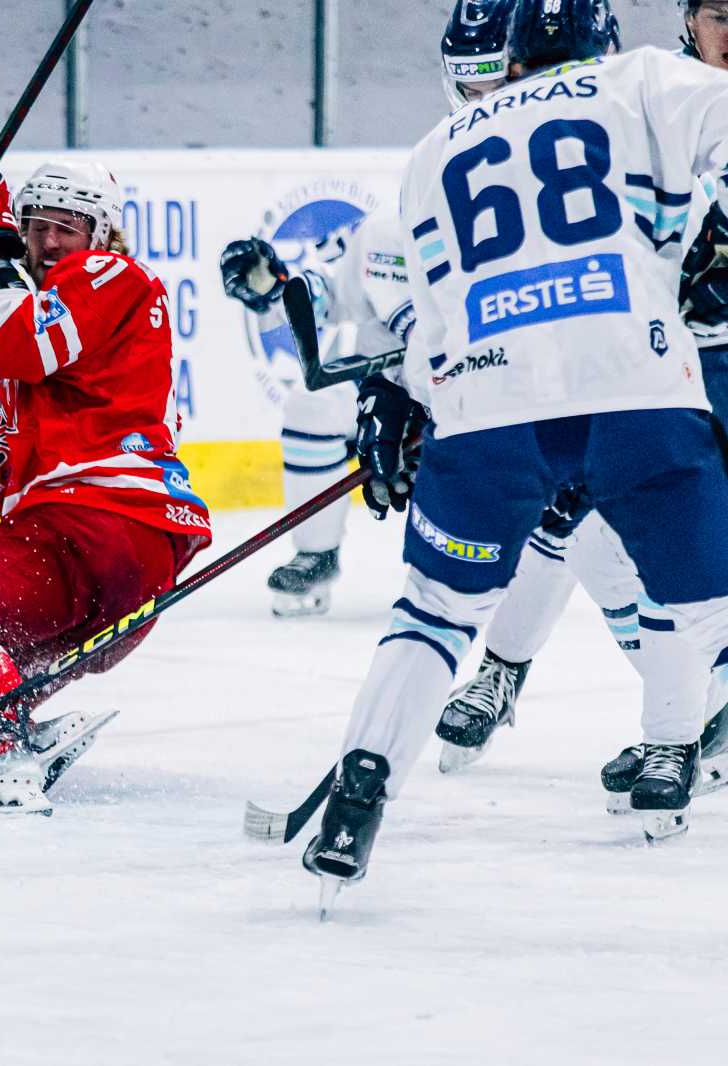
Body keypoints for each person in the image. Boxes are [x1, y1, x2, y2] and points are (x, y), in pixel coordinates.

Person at [302, 0, 728, 901]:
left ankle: (361, 787)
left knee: (432, 609)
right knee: (701, 604)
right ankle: (673, 749)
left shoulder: (434, 151)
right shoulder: (643, 77)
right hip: (635, 379)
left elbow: (433, 315)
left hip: (488, 401)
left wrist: (401, 399)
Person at [430, 0, 728, 799]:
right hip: (655, 366)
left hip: (688, 370)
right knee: (588, 528)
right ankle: (687, 710)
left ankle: (682, 712)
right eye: (719, 15)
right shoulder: (649, 95)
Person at [0, 156, 210, 815]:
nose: (49, 241)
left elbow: (9, 336)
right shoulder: (31, 359)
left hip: (97, 523)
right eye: (34, 225)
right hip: (118, 556)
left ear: (103, 232)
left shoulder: (111, 276)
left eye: (68, 225)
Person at [215, 0, 512, 618]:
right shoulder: (397, 217)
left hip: (499, 401)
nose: (482, 101)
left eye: (498, 83)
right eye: (472, 85)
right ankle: (317, 554)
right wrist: (278, 289)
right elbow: (334, 289)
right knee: (314, 402)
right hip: (403, 394)